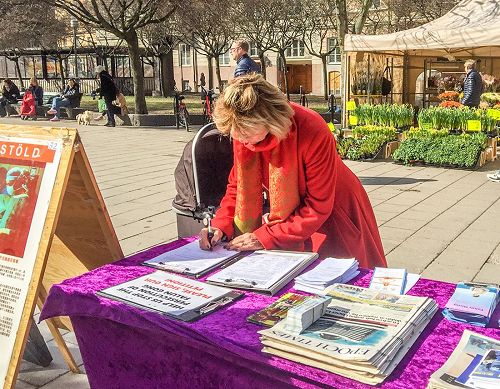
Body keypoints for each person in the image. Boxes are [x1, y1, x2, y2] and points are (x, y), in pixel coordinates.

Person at [199, 74, 387, 269]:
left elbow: (318, 207)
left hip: (335, 208)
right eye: (236, 137)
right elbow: (238, 187)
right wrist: (220, 225)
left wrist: (266, 237)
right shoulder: (243, 129)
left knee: (340, 277)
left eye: (247, 136)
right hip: (298, 216)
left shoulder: (312, 128)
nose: (243, 142)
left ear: (270, 120)